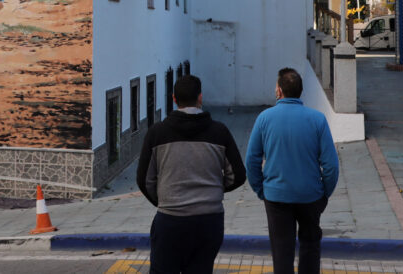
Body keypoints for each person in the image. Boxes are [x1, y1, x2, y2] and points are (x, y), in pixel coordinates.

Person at [137, 74, 246, 273]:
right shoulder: (219, 132)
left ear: (174, 99)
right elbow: (237, 175)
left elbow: (144, 180)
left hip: (170, 221)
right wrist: (213, 189)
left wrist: (164, 200)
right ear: (200, 98)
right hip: (209, 222)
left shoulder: (157, 133)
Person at [246, 68, 339, 274]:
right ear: (300, 91)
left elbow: (251, 161)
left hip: (276, 197)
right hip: (310, 196)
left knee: (281, 253)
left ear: (279, 91)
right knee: (310, 248)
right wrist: (324, 193)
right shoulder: (318, 119)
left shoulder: (264, 118)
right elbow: (331, 165)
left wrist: (261, 191)